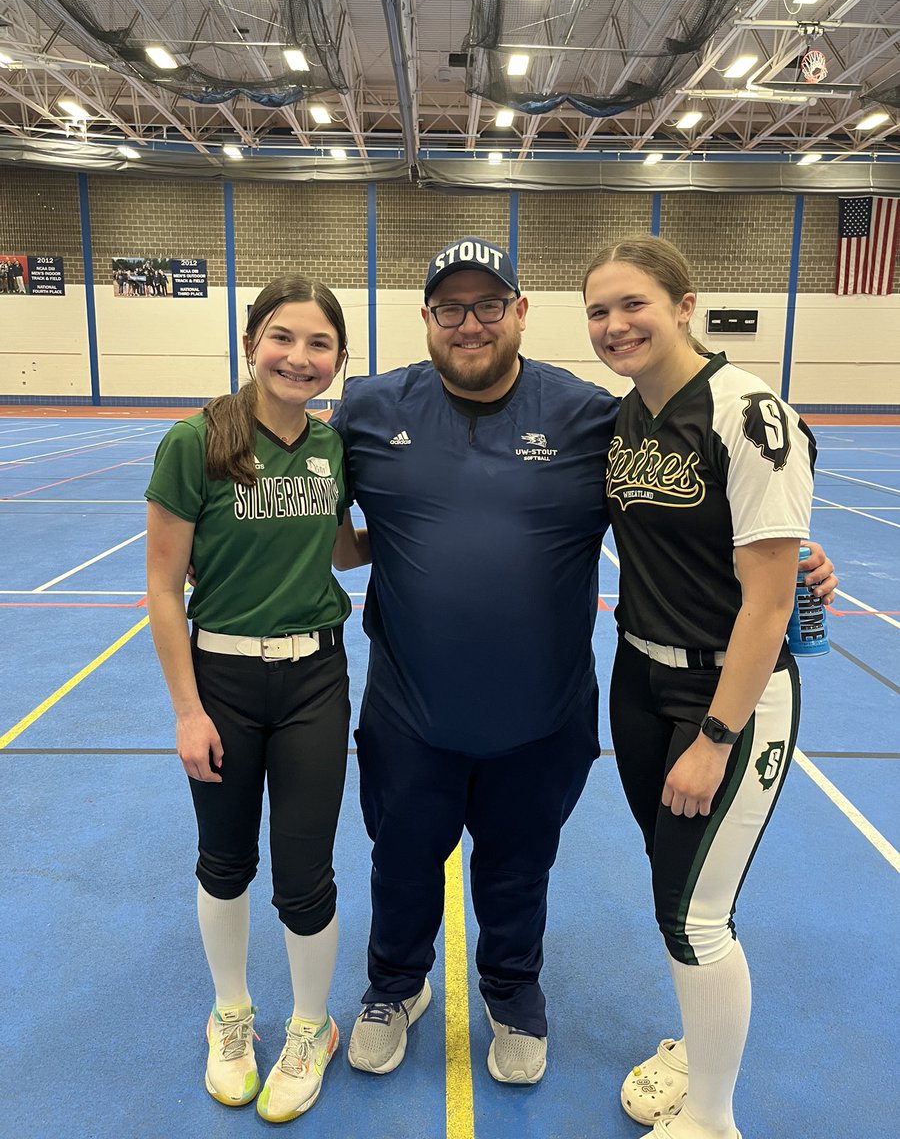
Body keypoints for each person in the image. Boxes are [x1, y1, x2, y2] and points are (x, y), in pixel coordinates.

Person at [329, 236, 837, 1087]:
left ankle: (513, 992)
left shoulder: (591, 416)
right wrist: (223, 536)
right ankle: (393, 986)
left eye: (490, 304)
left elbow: (701, 498)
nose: (470, 323)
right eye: (450, 307)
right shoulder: (369, 409)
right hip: (409, 709)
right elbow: (318, 514)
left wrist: (799, 557)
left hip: (543, 712)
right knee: (402, 856)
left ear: (521, 313)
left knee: (520, 865)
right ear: (425, 319)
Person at [582, 234, 817, 1139]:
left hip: (729, 700)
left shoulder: (744, 409)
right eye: (599, 311)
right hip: (639, 676)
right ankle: (699, 1040)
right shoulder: (626, 420)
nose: (614, 325)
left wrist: (716, 740)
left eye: (633, 303)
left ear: (683, 304)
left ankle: (713, 1121)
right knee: (679, 888)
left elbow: (766, 608)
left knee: (695, 916)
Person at [145, 274, 366, 1123]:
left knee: (305, 874)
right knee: (225, 859)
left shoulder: (331, 447)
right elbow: (165, 590)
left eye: (318, 344)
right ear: (250, 344)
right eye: (282, 337)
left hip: (316, 678)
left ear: (338, 361)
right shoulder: (195, 440)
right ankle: (232, 1016)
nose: (299, 357)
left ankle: (312, 1027)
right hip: (223, 682)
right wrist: (187, 710)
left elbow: (342, 554)